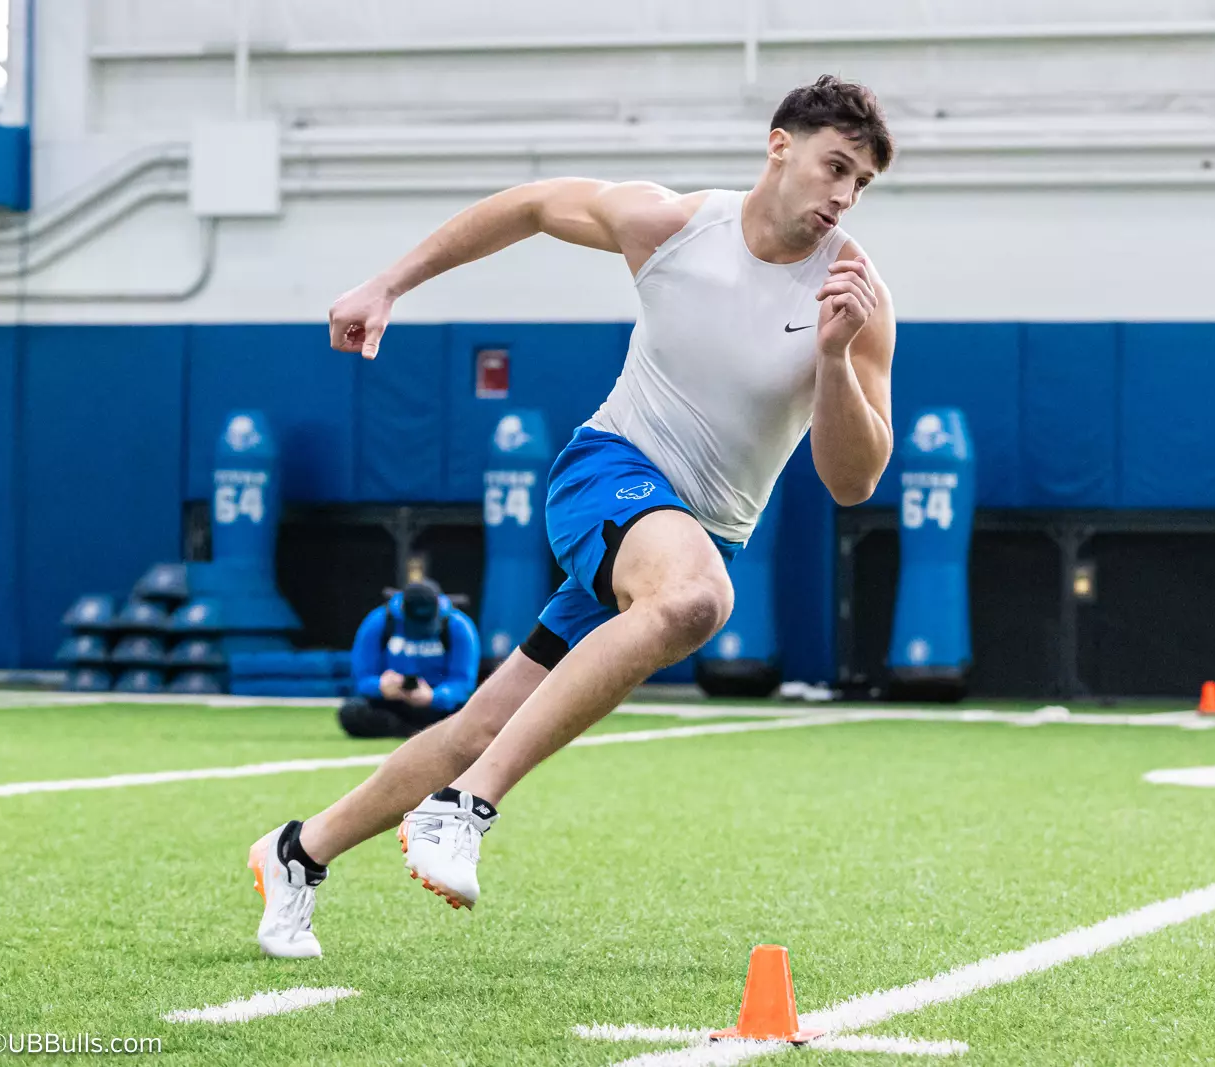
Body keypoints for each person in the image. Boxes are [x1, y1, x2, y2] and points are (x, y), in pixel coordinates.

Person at [248, 74, 896, 958]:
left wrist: (833, 359)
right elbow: (530, 205)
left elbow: (853, 480)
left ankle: (297, 851)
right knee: (697, 600)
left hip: (695, 535)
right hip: (610, 475)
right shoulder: (671, 226)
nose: (844, 196)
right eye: (835, 166)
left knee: (484, 720)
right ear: (780, 144)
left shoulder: (856, 296)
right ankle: (464, 807)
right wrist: (388, 283)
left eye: (861, 182)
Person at [337, 579, 481, 740]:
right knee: (352, 712)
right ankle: (419, 731)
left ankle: (416, 730)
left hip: (438, 705)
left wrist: (434, 697)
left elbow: (463, 683)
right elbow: (362, 678)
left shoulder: (459, 626)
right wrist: (381, 687)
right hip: (392, 703)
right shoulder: (379, 622)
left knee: (476, 714)